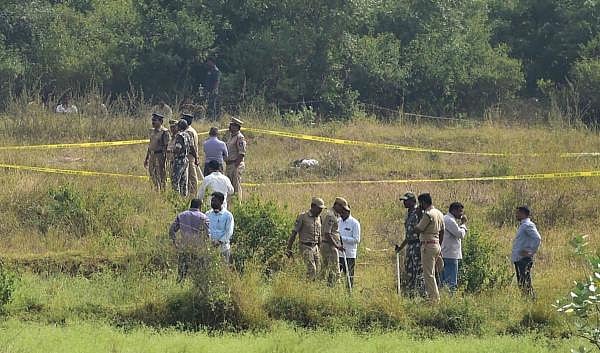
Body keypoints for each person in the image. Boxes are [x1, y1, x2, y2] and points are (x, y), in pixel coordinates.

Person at [169, 198, 210, 282]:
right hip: (198, 249)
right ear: (200, 206)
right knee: (199, 274)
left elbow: (172, 230)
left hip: (184, 248)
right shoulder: (203, 217)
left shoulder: (181, 215)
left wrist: (175, 243)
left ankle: (179, 288)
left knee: (181, 274)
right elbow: (207, 234)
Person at [414, 193, 445, 303]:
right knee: (433, 272)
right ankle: (435, 295)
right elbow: (442, 231)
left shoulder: (428, 214)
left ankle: (434, 299)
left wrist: (418, 216)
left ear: (423, 202)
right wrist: (439, 245)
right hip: (436, 244)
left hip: (427, 245)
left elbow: (418, 229)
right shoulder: (439, 213)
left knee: (428, 274)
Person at [286, 198, 326, 280]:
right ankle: (308, 285)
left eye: (321, 209)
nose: (320, 211)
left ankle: (312, 287)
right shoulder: (303, 217)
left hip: (315, 247)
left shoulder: (319, 218)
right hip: (305, 246)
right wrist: (289, 248)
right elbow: (294, 233)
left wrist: (319, 247)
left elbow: (319, 235)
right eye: (319, 208)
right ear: (313, 206)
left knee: (318, 268)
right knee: (312, 269)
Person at [395, 192, 424, 296]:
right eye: (403, 201)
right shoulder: (409, 213)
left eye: (406, 200)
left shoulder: (419, 212)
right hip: (410, 246)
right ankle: (411, 293)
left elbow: (422, 230)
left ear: (413, 201)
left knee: (418, 270)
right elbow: (408, 235)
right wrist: (401, 247)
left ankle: (420, 294)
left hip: (418, 245)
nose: (404, 202)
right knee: (409, 270)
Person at [512, 206, 542, 297]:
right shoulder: (523, 225)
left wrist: (530, 251)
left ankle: (531, 299)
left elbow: (537, 238)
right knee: (522, 282)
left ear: (523, 213)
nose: (516, 215)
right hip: (519, 258)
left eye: (518, 213)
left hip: (524, 259)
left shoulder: (528, 225)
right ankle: (527, 299)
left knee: (525, 281)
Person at [441, 202, 468, 292]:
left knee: (444, 280)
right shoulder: (449, 220)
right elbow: (460, 234)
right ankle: (449, 299)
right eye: (460, 211)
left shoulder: (446, 219)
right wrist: (463, 225)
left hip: (445, 253)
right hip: (450, 255)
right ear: (454, 210)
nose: (461, 214)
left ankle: (444, 297)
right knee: (451, 282)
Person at [321, 197, 347, 286]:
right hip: (329, 246)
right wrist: (337, 246)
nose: (343, 210)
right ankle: (337, 289)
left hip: (328, 245)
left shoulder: (333, 214)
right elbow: (327, 233)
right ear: (337, 205)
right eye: (342, 208)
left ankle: (323, 286)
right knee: (335, 268)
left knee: (325, 268)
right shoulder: (331, 215)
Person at [144, 113, 170, 191]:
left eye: (155, 120)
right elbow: (150, 145)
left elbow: (166, 147)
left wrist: (166, 159)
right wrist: (147, 158)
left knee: (161, 175)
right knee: (152, 174)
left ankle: (163, 191)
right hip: (152, 155)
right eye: (152, 120)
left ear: (161, 121)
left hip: (160, 155)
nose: (153, 122)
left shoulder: (164, 132)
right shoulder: (151, 131)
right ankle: (155, 190)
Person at [206, 192, 235, 263]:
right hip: (210, 248)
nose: (212, 203)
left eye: (215, 201)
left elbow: (229, 232)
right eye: (212, 201)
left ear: (221, 202)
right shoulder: (207, 214)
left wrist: (219, 241)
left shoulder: (228, 215)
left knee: (224, 268)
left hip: (223, 249)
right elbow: (205, 229)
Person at [171, 119, 197, 196]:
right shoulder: (189, 135)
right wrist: (196, 158)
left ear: (179, 127)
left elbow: (178, 148)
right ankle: (183, 197)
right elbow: (192, 148)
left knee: (175, 180)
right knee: (184, 181)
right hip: (186, 159)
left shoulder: (179, 136)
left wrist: (171, 151)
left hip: (179, 160)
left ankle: (175, 197)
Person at [338, 205, 360, 289]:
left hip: (349, 254)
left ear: (348, 211)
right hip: (338, 253)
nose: (341, 214)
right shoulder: (338, 221)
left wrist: (342, 238)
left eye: (343, 212)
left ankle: (348, 293)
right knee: (335, 274)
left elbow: (356, 239)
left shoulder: (354, 223)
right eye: (341, 212)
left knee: (348, 276)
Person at [225, 118, 247, 201]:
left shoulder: (239, 138)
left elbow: (241, 153)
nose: (229, 127)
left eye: (232, 125)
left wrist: (235, 166)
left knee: (236, 187)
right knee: (230, 188)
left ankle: (237, 205)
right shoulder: (231, 137)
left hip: (235, 165)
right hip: (229, 165)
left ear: (236, 127)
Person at [181, 113, 202, 197]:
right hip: (191, 156)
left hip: (190, 156)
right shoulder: (191, 130)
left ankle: (193, 195)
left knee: (191, 177)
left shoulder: (188, 132)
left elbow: (191, 146)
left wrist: (196, 157)